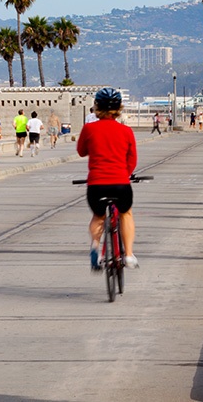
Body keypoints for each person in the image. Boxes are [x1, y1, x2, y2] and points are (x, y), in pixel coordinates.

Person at [77, 87, 139, 270]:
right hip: (120, 183)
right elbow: (132, 160)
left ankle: (96, 248)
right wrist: (125, 174)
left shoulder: (89, 129)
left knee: (98, 216)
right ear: (119, 108)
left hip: (96, 185)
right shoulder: (126, 131)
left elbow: (81, 151)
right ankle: (128, 255)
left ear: (97, 107)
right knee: (126, 213)